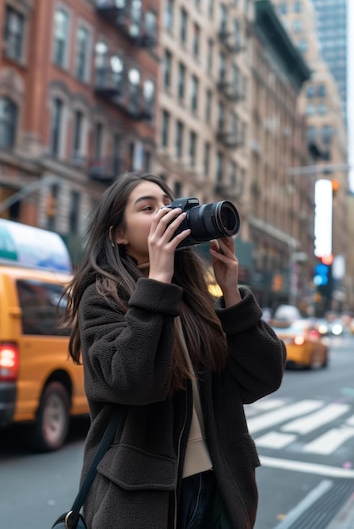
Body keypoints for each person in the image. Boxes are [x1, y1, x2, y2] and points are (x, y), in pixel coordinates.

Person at [62, 172, 286, 529]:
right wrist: (157, 283)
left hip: (221, 485)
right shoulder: (101, 298)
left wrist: (231, 292)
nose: (166, 214)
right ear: (119, 234)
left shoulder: (195, 298)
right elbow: (134, 383)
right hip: (144, 500)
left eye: (168, 204)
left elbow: (264, 378)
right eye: (148, 208)